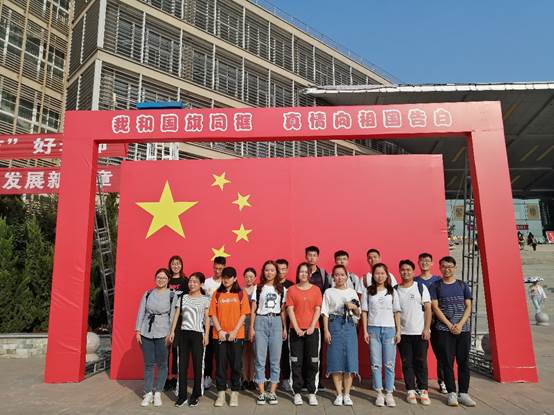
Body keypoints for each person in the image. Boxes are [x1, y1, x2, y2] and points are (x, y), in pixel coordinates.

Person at [429, 256, 476, 407]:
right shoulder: (435, 286)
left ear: (455, 268)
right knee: (447, 362)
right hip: (444, 330)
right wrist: (449, 325)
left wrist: (460, 324)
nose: (447, 269)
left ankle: (464, 393)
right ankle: (451, 393)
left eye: (450, 266)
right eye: (444, 266)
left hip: (463, 330)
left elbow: (468, 306)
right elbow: (435, 307)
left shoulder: (463, 285)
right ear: (440, 268)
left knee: (463, 362)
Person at [135, 268, 178, 407]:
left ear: (168, 280)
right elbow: (141, 312)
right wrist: (138, 330)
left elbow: (173, 316)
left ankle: (158, 392)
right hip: (146, 332)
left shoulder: (172, 295)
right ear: (155, 278)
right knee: (148, 364)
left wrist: (171, 333)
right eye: (159, 277)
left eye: (164, 278)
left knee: (162, 364)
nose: (161, 280)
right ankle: (148, 393)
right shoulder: (148, 293)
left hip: (163, 332)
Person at [210, 267, 251, 407]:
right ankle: (221, 393)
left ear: (235, 278)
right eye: (224, 277)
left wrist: (234, 331)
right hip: (219, 335)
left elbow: (244, 314)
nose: (226, 280)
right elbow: (213, 314)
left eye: (229, 277)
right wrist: (220, 330)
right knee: (220, 365)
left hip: (236, 335)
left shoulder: (240, 293)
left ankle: (234, 392)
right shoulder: (217, 294)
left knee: (236, 365)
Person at [361, 263, 401, 407]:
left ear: (387, 275)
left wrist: (398, 331)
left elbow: (397, 312)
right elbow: (364, 312)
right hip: (373, 330)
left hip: (390, 330)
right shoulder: (368, 291)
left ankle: (389, 393)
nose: (380, 276)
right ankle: (379, 393)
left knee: (389, 363)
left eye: (382, 273)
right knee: (376, 363)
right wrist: (365, 331)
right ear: (373, 275)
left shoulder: (392, 291)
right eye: (377, 273)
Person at [250, 260, 288, 405]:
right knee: (260, 359)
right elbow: (253, 309)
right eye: (266, 270)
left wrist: (284, 328)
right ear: (263, 272)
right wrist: (251, 328)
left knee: (275, 360)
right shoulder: (258, 288)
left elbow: (283, 311)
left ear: (276, 272)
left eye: (272, 270)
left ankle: (272, 392)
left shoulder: (282, 289)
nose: (269, 272)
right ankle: (261, 393)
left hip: (276, 322)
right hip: (260, 321)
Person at [322, 265, 360, 407]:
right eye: (337, 275)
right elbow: (325, 312)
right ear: (333, 277)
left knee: (350, 358)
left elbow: (358, 313)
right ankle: (338, 394)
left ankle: (347, 394)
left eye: (342, 275)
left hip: (349, 326)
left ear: (346, 276)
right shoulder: (329, 292)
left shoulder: (352, 292)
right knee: (335, 358)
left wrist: (354, 307)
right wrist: (326, 330)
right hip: (334, 324)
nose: (339, 277)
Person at [170, 272, 210, 407]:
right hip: (183, 334)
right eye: (190, 281)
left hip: (198, 334)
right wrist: (172, 331)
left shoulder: (205, 299)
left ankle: (196, 395)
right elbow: (176, 315)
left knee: (198, 366)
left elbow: (207, 318)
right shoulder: (183, 298)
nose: (192, 284)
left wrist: (206, 335)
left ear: (201, 284)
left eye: (195, 282)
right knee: (182, 365)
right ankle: (182, 396)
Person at [286, 262, 323, 406]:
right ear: (297, 274)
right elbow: (290, 309)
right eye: (301, 271)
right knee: (296, 362)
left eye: (306, 272)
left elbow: (318, 309)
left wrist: (312, 326)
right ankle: (297, 392)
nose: (303, 274)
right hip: (296, 332)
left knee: (313, 362)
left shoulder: (316, 290)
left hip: (313, 331)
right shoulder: (291, 290)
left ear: (309, 274)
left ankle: (312, 392)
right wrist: (296, 328)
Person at [396, 260, 432, 405]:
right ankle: (410, 390)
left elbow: (428, 309)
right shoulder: (395, 289)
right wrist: (397, 331)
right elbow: (395, 312)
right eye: (403, 270)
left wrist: (426, 328)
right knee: (407, 363)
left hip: (419, 332)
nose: (405, 272)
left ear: (413, 271)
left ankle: (423, 390)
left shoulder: (420, 287)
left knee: (421, 362)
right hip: (403, 333)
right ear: (399, 271)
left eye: (408, 270)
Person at [415, 252, 445, 394]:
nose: (425, 263)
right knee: (420, 355)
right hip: (420, 322)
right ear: (418, 263)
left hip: (437, 322)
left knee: (441, 353)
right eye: (422, 260)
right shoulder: (415, 281)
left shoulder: (439, 280)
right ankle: (420, 384)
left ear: (432, 263)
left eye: (427, 260)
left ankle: (443, 381)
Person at [165, 255, 188, 392]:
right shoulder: (166, 279)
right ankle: (166, 377)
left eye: (178, 263)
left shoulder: (185, 280)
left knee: (176, 349)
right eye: (173, 264)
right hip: (165, 318)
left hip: (179, 319)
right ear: (170, 265)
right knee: (165, 350)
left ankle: (175, 377)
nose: (176, 266)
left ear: (181, 265)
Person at [203, 256, 226, 390]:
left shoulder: (227, 283)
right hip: (208, 324)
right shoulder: (206, 283)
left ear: (224, 268)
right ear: (213, 267)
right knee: (208, 352)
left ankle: (220, 378)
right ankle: (207, 377)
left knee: (221, 354)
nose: (218, 271)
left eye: (220, 269)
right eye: (216, 268)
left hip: (223, 325)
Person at [276, 258, 294, 392]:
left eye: (283, 269)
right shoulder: (271, 284)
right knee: (273, 353)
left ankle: (286, 378)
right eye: (278, 269)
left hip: (288, 323)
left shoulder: (291, 286)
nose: (281, 272)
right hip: (273, 322)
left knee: (286, 352)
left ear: (287, 270)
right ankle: (273, 379)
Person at [241, 267, 257, 390]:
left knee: (254, 353)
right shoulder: (240, 291)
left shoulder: (258, 290)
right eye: (247, 276)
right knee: (243, 352)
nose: (249, 279)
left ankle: (252, 379)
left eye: (251, 276)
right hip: (242, 323)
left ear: (255, 278)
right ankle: (244, 378)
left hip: (255, 323)